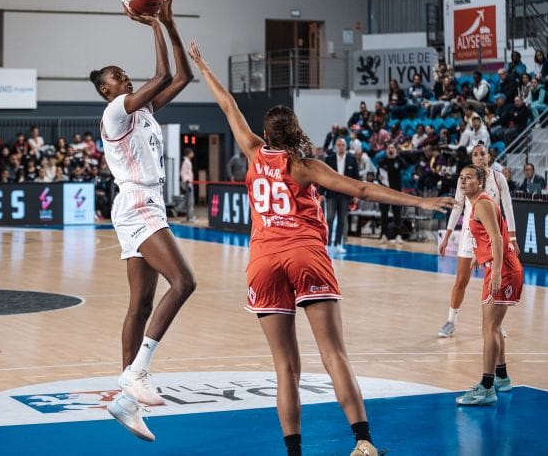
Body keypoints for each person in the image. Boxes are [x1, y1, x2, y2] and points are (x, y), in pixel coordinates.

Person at [188, 39, 453, 456]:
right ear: (295, 129)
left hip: (262, 260)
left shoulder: (253, 152)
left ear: (266, 133)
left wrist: (204, 66)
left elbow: (227, 106)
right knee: (334, 356)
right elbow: (363, 188)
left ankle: (294, 452)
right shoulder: (306, 167)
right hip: (304, 253)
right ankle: (363, 443)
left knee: (284, 368)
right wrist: (420, 201)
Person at [88, 0, 195, 442]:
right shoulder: (115, 112)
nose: (125, 80)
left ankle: (126, 400)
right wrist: (155, 23)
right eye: (116, 77)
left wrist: (170, 23)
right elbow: (164, 71)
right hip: (137, 202)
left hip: (138, 203)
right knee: (185, 281)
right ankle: (139, 371)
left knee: (141, 302)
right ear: (104, 91)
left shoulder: (144, 109)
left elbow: (183, 75)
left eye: (125, 76)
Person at [454, 165, 523, 405]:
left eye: (469, 177)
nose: (463, 181)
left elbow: (496, 238)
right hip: (497, 265)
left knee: (490, 328)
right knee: (494, 327)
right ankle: (501, 377)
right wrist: (479, 257)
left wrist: (495, 272)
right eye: (461, 177)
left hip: (501, 268)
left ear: (480, 182)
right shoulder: (478, 203)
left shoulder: (482, 203)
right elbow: (489, 237)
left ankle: (486, 386)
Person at [437, 144, 517, 337]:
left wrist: (513, 238)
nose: (480, 157)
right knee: (461, 280)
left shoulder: (499, 179)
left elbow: (508, 207)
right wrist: (447, 236)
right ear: (472, 159)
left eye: (483, 154)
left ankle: (496, 324)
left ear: (488, 157)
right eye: (475, 154)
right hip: (468, 236)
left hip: (491, 237)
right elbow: (457, 208)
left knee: (495, 281)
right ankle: (451, 321)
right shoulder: (465, 180)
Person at [323, 139, 358, 253]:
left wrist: (355, 194)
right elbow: (324, 177)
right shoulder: (329, 159)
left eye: (343, 145)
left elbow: (355, 178)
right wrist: (322, 193)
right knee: (329, 218)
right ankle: (327, 244)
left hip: (345, 194)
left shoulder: (352, 159)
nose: (341, 147)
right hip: (331, 193)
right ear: (335, 146)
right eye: (339, 145)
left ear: (346, 146)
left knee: (342, 219)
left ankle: (338, 243)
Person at [180, 147, 196, 221]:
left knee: (191, 200)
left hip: (190, 182)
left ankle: (191, 216)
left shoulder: (188, 161)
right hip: (188, 183)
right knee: (189, 200)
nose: (193, 154)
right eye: (192, 153)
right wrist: (186, 181)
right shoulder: (186, 162)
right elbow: (183, 172)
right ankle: (189, 217)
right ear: (189, 154)